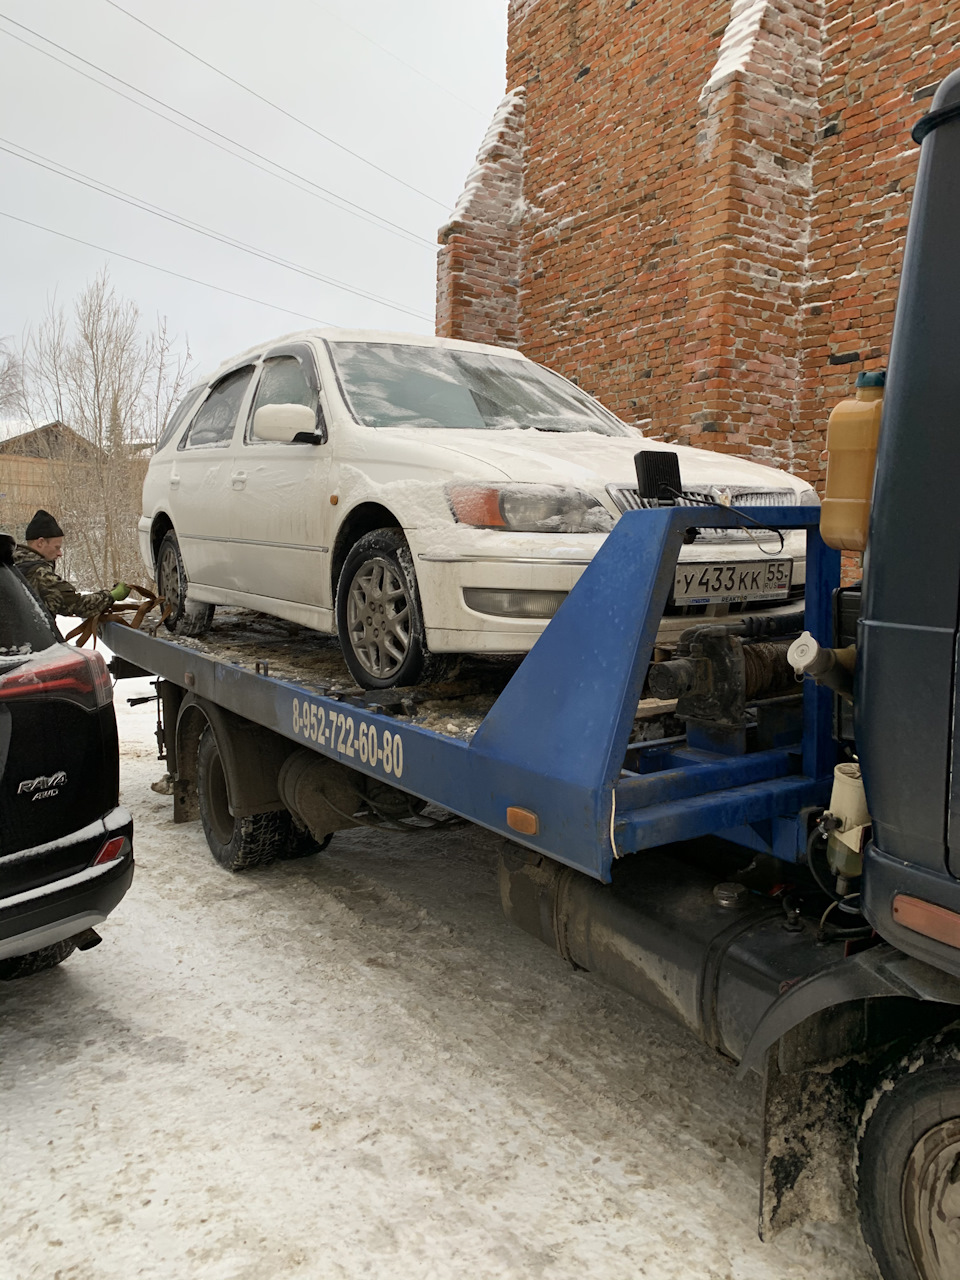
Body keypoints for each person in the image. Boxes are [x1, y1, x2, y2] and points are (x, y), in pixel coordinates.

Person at [13, 509, 130, 619]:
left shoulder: (12, 564)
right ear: (40, 542)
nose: (60, 553)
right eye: (57, 547)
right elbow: (78, 604)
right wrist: (112, 595)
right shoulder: (40, 575)